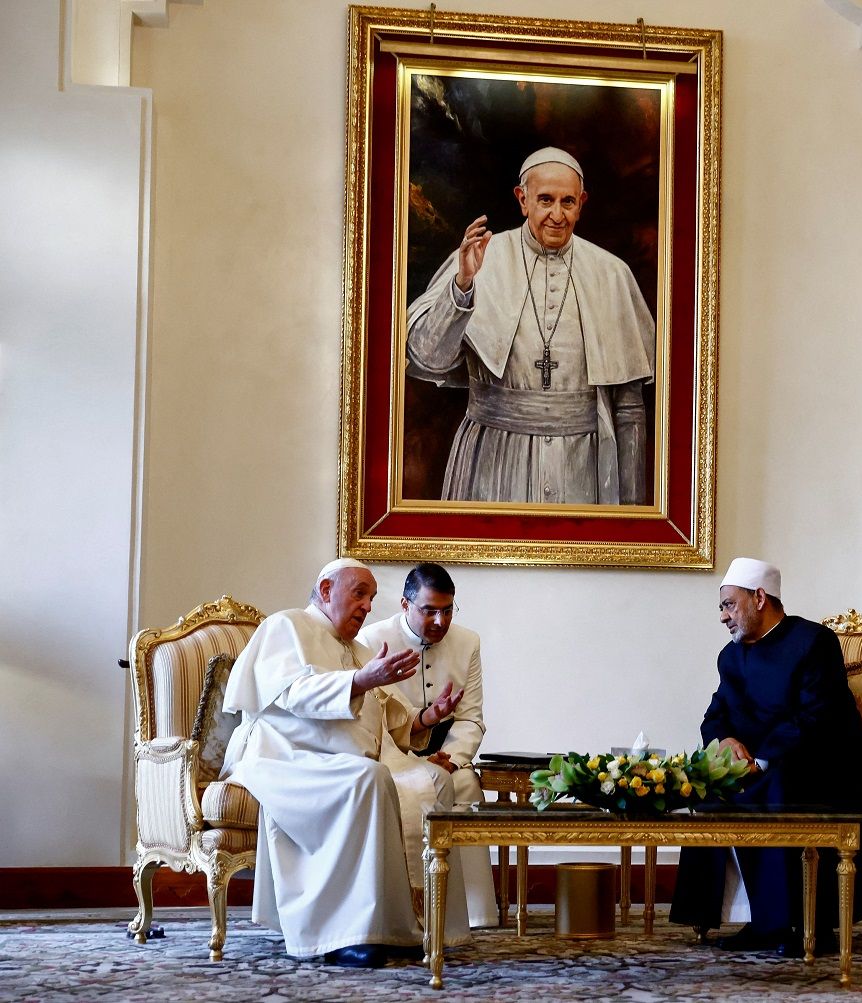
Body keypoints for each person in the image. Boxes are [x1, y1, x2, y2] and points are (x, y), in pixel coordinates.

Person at [220, 558, 471, 968]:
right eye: (359, 594)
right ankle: (347, 933)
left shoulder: (358, 650)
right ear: (325, 591)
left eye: (371, 598)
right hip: (288, 757)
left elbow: (385, 716)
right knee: (366, 779)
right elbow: (295, 694)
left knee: (436, 781)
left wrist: (428, 717)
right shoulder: (287, 627)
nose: (368, 606)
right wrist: (361, 680)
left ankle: (415, 926)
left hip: (341, 759)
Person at [406, 146, 656, 505]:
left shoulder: (612, 274)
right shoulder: (481, 259)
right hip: (493, 458)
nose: (557, 215)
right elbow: (429, 359)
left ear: (582, 203)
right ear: (522, 200)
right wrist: (462, 287)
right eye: (545, 200)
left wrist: (633, 514)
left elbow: (630, 407)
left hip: (581, 464)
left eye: (567, 202)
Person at [669, 558, 862, 955]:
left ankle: (803, 924)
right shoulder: (731, 656)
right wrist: (723, 741)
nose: (723, 616)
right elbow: (715, 714)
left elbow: (815, 717)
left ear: (759, 598)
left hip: (819, 764)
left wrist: (763, 759)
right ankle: (756, 920)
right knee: (708, 785)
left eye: (729, 605)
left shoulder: (813, 642)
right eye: (721, 608)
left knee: (775, 786)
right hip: (759, 763)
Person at [357, 562, 498, 928]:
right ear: (405, 605)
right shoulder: (371, 641)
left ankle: (476, 912)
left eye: (447, 610)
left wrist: (450, 759)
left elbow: (470, 717)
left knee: (465, 783)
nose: (440, 621)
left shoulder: (468, 642)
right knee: (415, 788)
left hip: (445, 749)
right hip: (393, 750)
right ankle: (410, 910)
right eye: (429, 611)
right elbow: (374, 718)